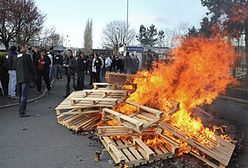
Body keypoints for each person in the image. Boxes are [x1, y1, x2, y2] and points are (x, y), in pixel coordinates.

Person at [13, 43, 36, 117]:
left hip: (18, 77)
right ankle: (22, 111)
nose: (27, 48)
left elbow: (14, 67)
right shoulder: (27, 56)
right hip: (25, 78)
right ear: (22, 47)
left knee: (20, 95)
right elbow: (31, 67)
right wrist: (34, 75)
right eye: (26, 47)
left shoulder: (15, 57)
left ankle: (21, 108)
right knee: (24, 95)